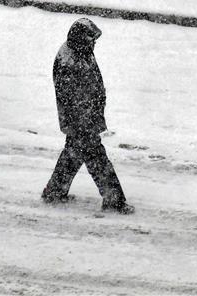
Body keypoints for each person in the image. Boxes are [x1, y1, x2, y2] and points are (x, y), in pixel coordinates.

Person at [42, 18, 134, 214]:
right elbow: (72, 98)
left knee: (72, 154)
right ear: (81, 39)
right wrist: (85, 123)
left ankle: (55, 191)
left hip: (86, 118)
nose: (94, 44)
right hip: (81, 120)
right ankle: (114, 199)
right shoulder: (70, 61)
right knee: (97, 159)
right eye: (91, 40)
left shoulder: (81, 52)